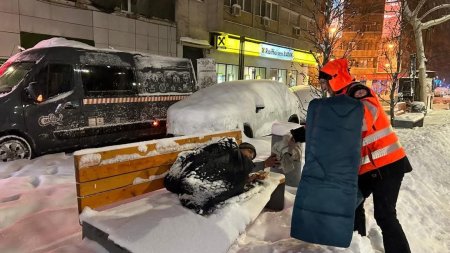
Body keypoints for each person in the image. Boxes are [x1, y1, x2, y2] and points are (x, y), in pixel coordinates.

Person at [317, 58, 412, 253]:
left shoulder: (358, 92)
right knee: (350, 206)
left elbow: (363, 120)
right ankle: (356, 247)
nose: (323, 87)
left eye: (325, 82)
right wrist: (302, 133)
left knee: (385, 215)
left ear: (335, 79)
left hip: (387, 164)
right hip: (367, 169)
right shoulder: (340, 99)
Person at [164, 138, 266, 215]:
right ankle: (194, 184)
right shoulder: (230, 149)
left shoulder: (239, 164)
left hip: (193, 184)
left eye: (252, 158)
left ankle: (195, 187)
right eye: (250, 152)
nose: (250, 156)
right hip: (191, 179)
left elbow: (229, 176)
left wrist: (249, 179)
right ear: (241, 148)